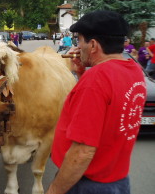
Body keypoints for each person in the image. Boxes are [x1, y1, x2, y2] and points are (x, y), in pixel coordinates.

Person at [46, 10, 146, 194]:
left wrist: (54, 189)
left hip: (87, 183)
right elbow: (110, 104)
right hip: (117, 178)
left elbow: (83, 152)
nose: (77, 46)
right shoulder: (133, 70)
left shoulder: (97, 81)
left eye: (79, 41)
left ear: (92, 44)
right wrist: (81, 73)